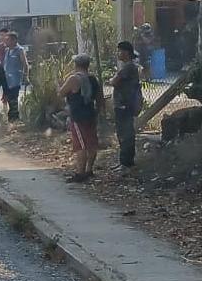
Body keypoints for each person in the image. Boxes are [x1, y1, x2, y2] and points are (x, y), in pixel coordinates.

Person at [59, 54, 103, 183]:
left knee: (80, 145)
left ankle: (80, 173)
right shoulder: (93, 79)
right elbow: (100, 98)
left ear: (76, 65)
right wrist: (98, 112)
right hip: (91, 114)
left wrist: (60, 85)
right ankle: (89, 170)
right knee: (92, 143)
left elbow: (61, 92)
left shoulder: (74, 79)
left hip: (78, 116)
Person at [109, 41, 141, 172]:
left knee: (126, 133)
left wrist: (112, 80)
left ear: (126, 52)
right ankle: (123, 162)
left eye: (120, 51)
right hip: (123, 104)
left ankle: (127, 163)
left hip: (125, 105)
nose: (118, 53)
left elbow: (114, 81)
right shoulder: (127, 67)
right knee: (122, 133)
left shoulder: (128, 67)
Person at [2, 31, 29, 123]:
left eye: (8, 40)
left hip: (15, 79)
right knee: (8, 98)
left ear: (14, 40)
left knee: (13, 98)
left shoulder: (19, 50)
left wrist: (26, 76)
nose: (6, 42)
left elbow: (25, 64)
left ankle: (14, 118)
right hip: (7, 80)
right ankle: (12, 118)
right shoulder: (7, 51)